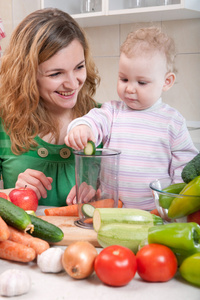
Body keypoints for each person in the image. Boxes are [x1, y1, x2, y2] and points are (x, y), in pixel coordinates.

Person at [65, 26, 199, 210]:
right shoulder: (112, 111)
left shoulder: (172, 121)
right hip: (112, 209)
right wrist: (82, 128)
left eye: (141, 82)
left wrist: (173, 206)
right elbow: (95, 120)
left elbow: (184, 170)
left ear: (166, 81)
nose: (129, 88)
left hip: (154, 212)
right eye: (124, 79)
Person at [0, 8, 101, 207]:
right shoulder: (4, 122)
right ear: (27, 75)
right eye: (56, 74)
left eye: (79, 67)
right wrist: (12, 193)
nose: (73, 84)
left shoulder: (104, 119)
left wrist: (100, 194)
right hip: (25, 237)